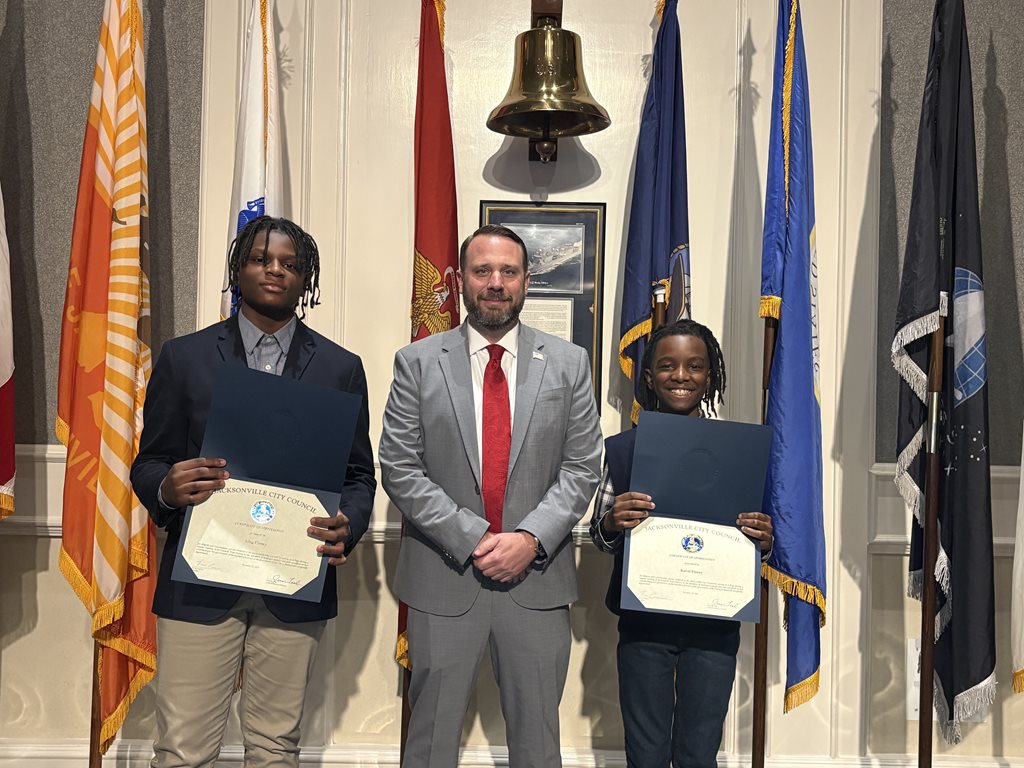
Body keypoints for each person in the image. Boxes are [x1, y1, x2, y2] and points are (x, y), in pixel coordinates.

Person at [130, 216, 376, 768]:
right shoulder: (185, 357)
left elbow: (359, 476)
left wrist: (349, 523)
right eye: (262, 260)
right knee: (183, 748)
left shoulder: (340, 368)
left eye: (291, 264)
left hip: (294, 581)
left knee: (274, 747)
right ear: (238, 269)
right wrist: (167, 487)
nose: (275, 271)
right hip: (200, 577)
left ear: (306, 279)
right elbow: (149, 463)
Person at [379, 224, 603, 768]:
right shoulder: (417, 361)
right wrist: (474, 537)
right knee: (429, 746)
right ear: (461, 280)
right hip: (444, 580)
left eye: (508, 271)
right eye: (482, 271)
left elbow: (582, 467)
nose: (496, 282)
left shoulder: (569, 363)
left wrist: (530, 539)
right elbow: (400, 467)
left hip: (536, 583)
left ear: (526, 281)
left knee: (537, 748)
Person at [589, 319, 773, 768]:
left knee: (698, 752)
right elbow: (599, 533)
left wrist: (763, 539)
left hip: (714, 622)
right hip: (644, 622)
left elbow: (760, 537)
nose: (681, 376)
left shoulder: (739, 451)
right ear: (649, 376)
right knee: (646, 752)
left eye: (695, 366)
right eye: (667, 366)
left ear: (710, 376)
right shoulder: (624, 449)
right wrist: (613, 521)